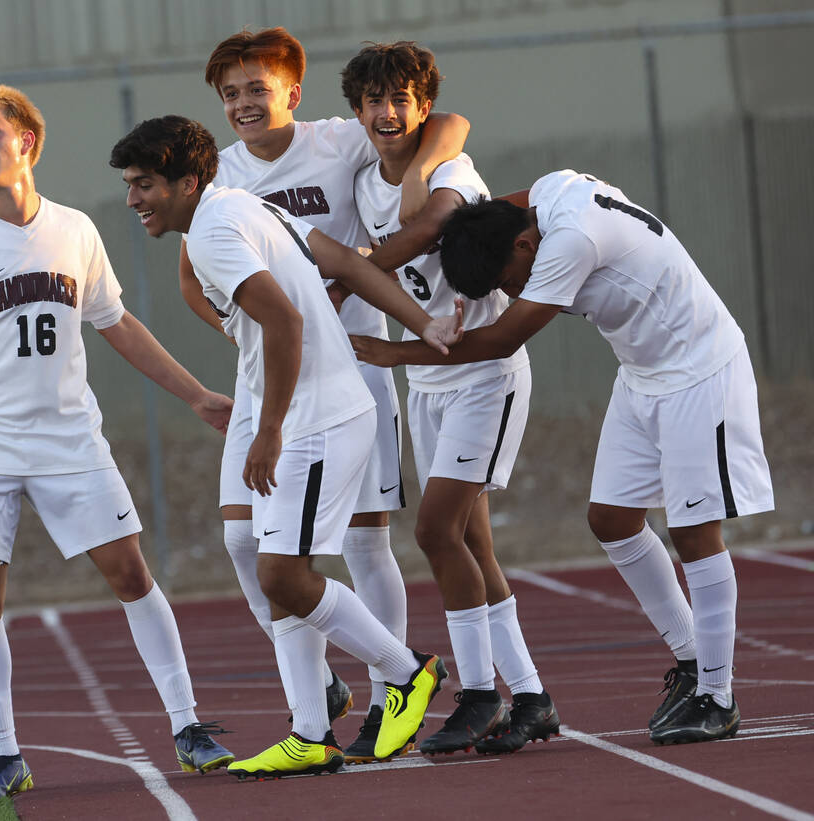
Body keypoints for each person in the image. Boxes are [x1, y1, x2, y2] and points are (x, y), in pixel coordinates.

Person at [352, 170, 774, 745]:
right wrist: (438, 239)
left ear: (525, 248)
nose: (511, 288)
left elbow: (501, 339)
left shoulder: (566, 244)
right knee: (612, 520)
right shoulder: (546, 198)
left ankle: (718, 696)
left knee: (696, 531)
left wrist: (390, 351)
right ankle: (694, 658)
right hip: (643, 372)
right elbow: (486, 213)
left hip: (699, 371)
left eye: (508, 278)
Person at [0, 85, 236, 802]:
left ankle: (188, 727)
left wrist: (196, 394)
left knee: (130, 574)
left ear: (27, 139)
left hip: (70, 444)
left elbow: (117, 326)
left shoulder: (75, 230)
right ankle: (3, 754)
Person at [110, 114, 461, 777]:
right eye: (130, 186)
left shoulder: (217, 227)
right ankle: (308, 731)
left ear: (187, 182)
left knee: (284, 574)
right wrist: (423, 324)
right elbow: (342, 264)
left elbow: (287, 318)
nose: (133, 200)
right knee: (272, 568)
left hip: (317, 418)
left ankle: (407, 672)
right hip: (309, 410)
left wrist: (268, 429)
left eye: (144, 184)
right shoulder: (240, 205)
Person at [179, 26, 471, 745]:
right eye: (230, 94)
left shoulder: (338, 140)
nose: (244, 103)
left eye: (257, 89)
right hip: (269, 380)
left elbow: (451, 122)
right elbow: (191, 280)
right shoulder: (217, 175)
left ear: (292, 93)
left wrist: (415, 173)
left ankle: (385, 698)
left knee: (365, 546)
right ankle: (323, 682)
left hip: (353, 371)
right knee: (245, 541)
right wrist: (243, 332)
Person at [342, 42, 559, 758]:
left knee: (435, 532)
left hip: (482, 375)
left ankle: (477, 694)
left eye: (400, 98)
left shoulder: (449, 169)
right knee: (470, 542)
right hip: (431, 380)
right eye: (373, 100)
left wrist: (350, 275)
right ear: (357, 110)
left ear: (422, 106)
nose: (386, 111)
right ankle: (529, 694)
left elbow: (433, 224)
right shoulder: (363, 175)